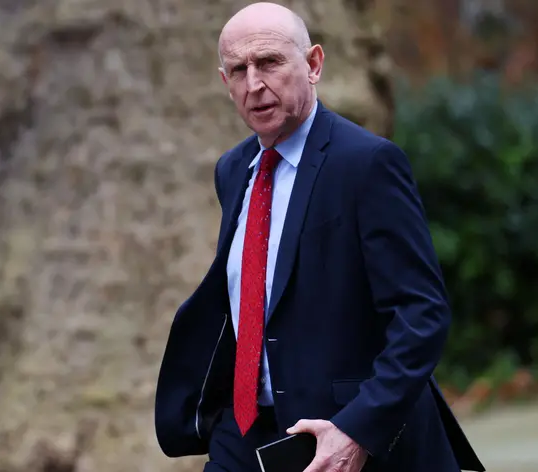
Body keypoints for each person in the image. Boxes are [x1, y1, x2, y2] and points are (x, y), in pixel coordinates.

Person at [154, 3, 485, 471]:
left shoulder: (367, 164)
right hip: (246, 432)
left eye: (269, 62)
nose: (254, 84)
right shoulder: (233, 170)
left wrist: (357, 430)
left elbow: (421, 315)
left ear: (313, 65)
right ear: (225, 82)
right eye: (239, 70)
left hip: (345, 434)